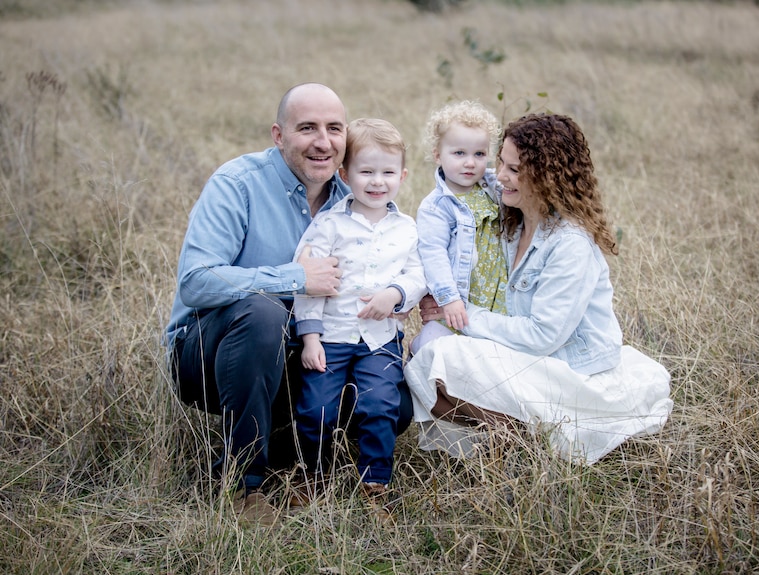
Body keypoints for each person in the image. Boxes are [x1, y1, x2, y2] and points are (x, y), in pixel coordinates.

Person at [164, 84, 413, 526]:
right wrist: (296, 277)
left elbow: (395, 263)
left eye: (334, 128)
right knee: (264, 312)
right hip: (207, 355)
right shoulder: (237, 183)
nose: (323, 141)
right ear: (279, 135)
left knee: (395, 401)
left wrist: (409, 296)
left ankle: (296, 455)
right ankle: (242, 484)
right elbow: (195, 283)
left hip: (308, 353)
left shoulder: (352, 199)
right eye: (307, 128)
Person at [405, 113, 673, 463]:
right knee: (422, 354)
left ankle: (531, 446)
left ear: (546, 176)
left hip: (567, 366)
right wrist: (441, 300)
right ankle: (509, 440)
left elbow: (542, 335)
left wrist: (462, 316)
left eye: (514, 170)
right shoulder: (512, 221)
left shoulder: (570, 243)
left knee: (441, 359)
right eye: (500, 162)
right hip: (528, 355)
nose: (499, 176)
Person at [291, 118, 426, 507]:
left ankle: (375, 484)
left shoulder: (406, 229)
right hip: (331, 336)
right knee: (316, 408)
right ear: (345, 173)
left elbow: (418, 274)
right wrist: (310, 337)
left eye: (387, 172)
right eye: (366, 171)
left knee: (380, 405)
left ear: (402, 175)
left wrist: (397, 294)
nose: (377, 181)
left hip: (380, 338)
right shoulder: (329, 224)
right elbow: (309, 280)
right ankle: (313, 478)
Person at [410, 100, 508, 352]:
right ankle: (417, 356)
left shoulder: (493, 188)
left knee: (483, 355)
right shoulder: (436, 207)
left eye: (479, 154)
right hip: (456, 296)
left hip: (494, 296)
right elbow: (433, 254)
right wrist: (449, 298)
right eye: (459, 153)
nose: (470, 163)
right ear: (437, 155)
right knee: (435, 347)